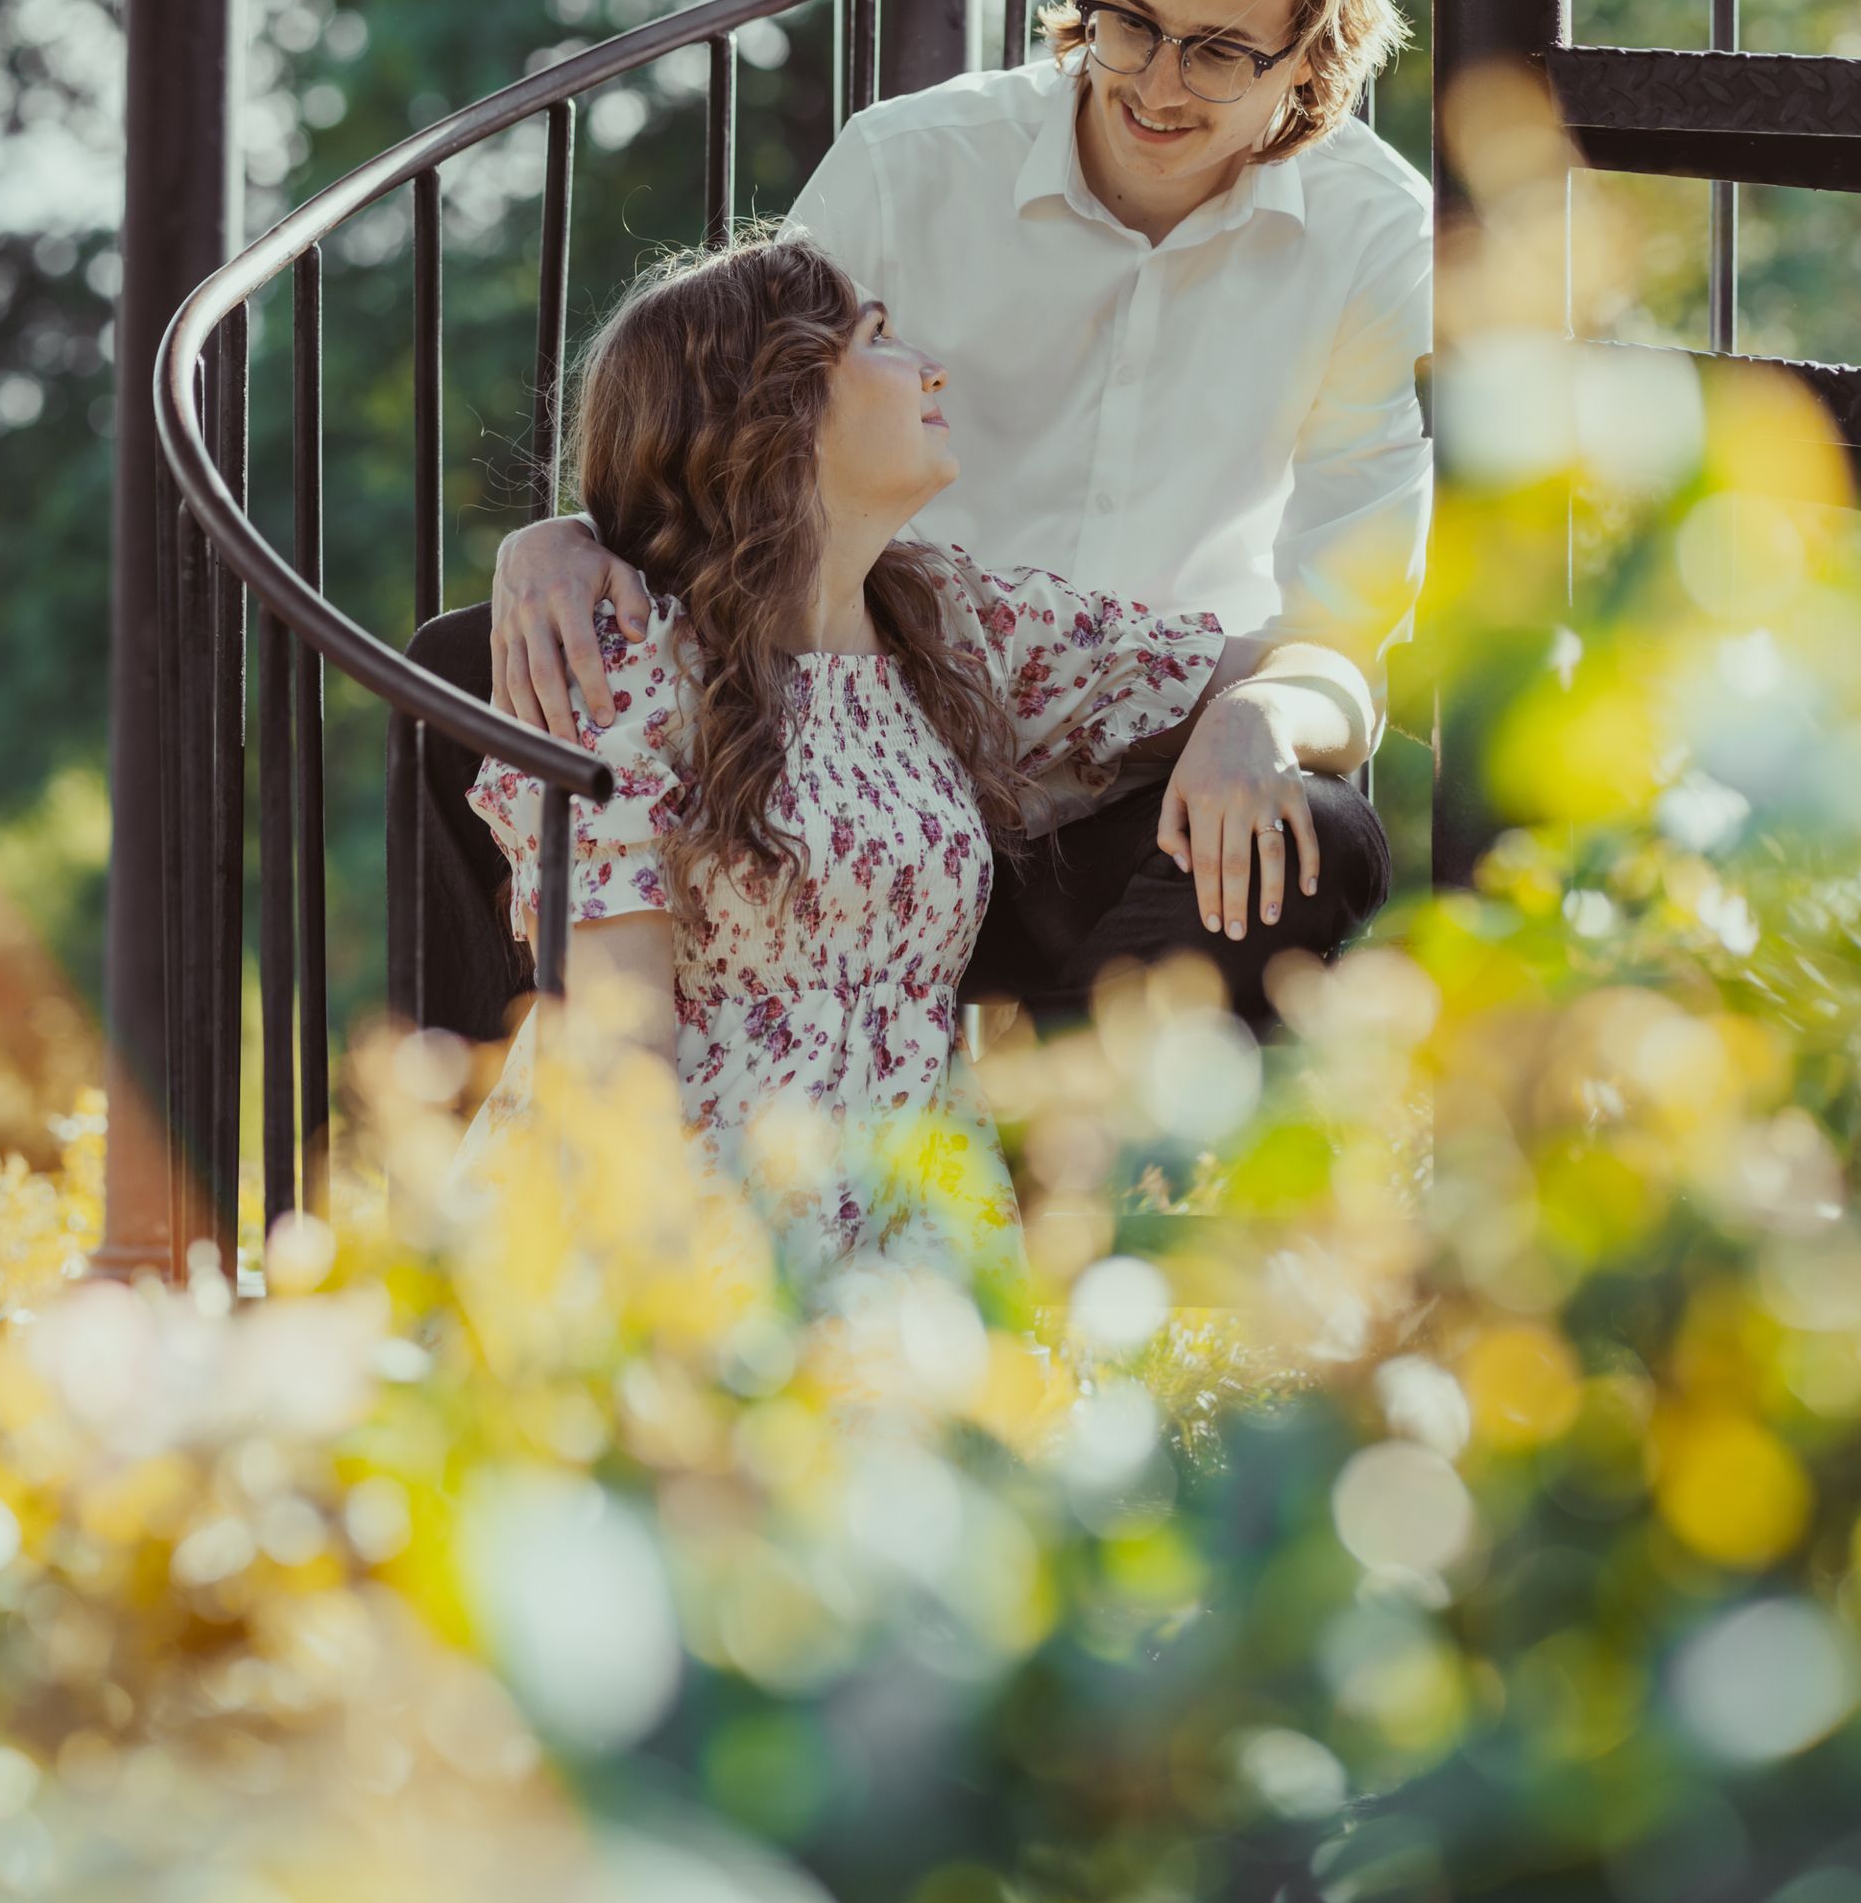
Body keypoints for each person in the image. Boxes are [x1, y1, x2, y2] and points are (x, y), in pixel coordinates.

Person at [482, 0, 1428, 1030]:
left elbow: (1348, 614)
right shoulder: (909, 162)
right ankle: (492, 1136)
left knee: (1317, 836)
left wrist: (1264, 708)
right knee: (492, 676)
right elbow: (724, 420)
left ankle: (1051, 1160)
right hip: (848, 762)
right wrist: (567, 537)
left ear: (1314, 58)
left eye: (1220, 51)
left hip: (1141, 766)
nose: (1153, 83)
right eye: (1128, 22)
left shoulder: (1376, 234)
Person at [463, 230, 1265, 1272]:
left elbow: (1287, 661)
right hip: (698, 1221)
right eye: (880, 336)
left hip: (916, 1217)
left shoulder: (953, 625)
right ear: (777, 407)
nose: (932, 367)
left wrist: (1262, 713)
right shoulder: (627, 663)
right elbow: (618, 1051)